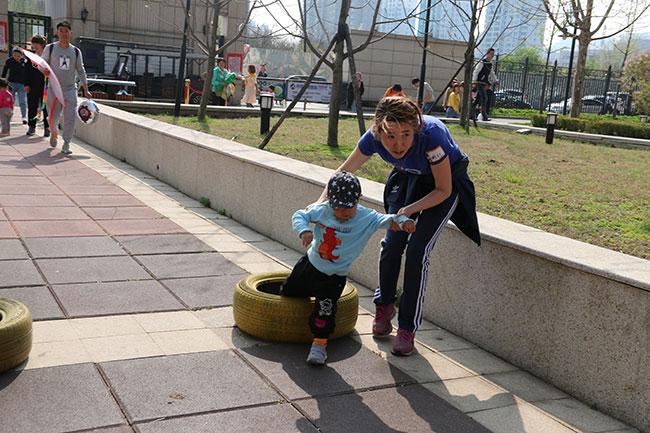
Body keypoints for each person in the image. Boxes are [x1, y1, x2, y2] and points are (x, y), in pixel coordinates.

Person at [318, 97, 480, 356]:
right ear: (378, 131)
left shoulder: (432, 136)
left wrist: (408, 210)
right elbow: (342, 173)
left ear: (415, 129)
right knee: (392, 244)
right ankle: (384, 306)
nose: (399, 144)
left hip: (444, 185)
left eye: (406, 135)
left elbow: (443, 190)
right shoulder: (372, 138)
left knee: (417, 251)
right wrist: (318, 206)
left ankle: (407, 328)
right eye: (391, 136)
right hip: (407, 179)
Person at [283, 171, 415, 364]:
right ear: (329, 200)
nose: (343, 212)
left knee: (325, 311)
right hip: (309, 265)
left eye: (349, 207)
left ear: (359, 199)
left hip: (333, 277)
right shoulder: (323, 210)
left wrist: (405, 222)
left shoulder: (366, 217)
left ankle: (319, 345)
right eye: (338, 207)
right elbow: (299, 215)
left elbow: (391, 218)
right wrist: (304, 230)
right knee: (288, 291)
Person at [40, 21, 91, 154]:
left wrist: (86, 89)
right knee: (53, 117)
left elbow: (81, 70)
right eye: (61, 31)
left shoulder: (76, 51)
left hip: (70, 89)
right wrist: (43, 70)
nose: (63, 33)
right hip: (54, 88)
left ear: (70, 33)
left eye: (66, 31)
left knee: (70, 116)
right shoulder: (50, 48)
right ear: (57, 33)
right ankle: (53, 131)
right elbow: (41, 64)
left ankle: (67, 142)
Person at [25, 34, 49, 137]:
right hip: (33, 85)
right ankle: (31, 127)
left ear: (42, 44)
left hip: (45, 85)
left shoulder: (48, 56)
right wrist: (26, 84)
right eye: (33, 43)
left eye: (37, 43)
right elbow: (26, 71)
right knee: (32, 106)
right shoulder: (31, 56)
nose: (35, 46)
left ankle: (47, 127)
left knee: (46, 107)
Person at [472, 47, 499, 121]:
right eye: (491, 53)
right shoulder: (482, 62)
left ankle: (470, 114)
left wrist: (496, 82)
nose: (492, 55)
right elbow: (476, 71)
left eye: (493, 54)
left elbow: (492, 74)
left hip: (484, 83)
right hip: (479, 82)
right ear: (487, 54)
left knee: (477, 99)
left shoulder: (489, 64)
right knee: (484, 98)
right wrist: (474, 81)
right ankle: (484, 116)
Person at [2, 47, 27, 124]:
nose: (16, 57)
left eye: (18, 56)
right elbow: (5, 71)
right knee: (10, 100)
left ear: (21, 55)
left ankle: (24, 117)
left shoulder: (24, 62)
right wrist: (2, 82)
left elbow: (28, 73)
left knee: (22, 101)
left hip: (22, 84)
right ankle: (9, 116)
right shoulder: (9, 61)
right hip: (11, 83)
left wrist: (27, 83)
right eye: (15, 55)